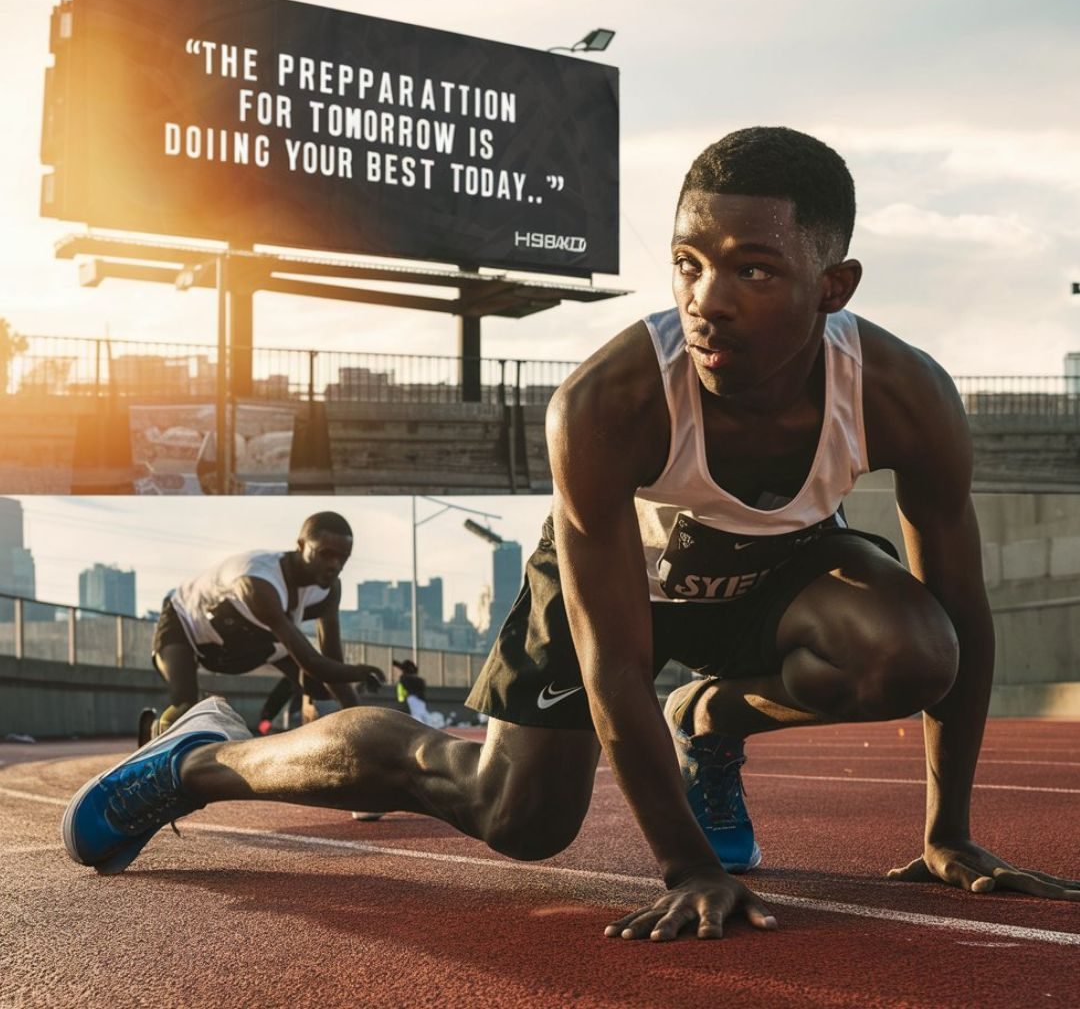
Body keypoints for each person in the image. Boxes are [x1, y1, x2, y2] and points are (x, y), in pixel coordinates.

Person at [64, 127, 1079, 938]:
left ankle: (713, 721)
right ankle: (200, 762)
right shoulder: (609, 401)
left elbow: (965, 617)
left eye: (755, 272)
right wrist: (685, 866)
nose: (707, 303)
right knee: (519, 818)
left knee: (918, 651)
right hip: (625, 580)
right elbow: (611, 664)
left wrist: (950, 831)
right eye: (689, 263)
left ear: (834, 288)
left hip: (782, 569)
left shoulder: (904, 396)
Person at [139, 511, 384, 743]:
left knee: (319, 688)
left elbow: (332, 663)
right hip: (186, 626)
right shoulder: (259, 582)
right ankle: (155, 737)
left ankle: (330, 746)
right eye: (325, 554)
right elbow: (312, 661)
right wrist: (360, 672)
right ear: (300, 546)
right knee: (186, 710)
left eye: (343, 558)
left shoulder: (329, 590)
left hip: (251, 641)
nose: (334, 565)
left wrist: (366, 728)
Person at [394, 659, 430, 724]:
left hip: (414, 698)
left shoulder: (406, 678)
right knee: (421, 715)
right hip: (417, 698)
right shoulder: (418, 680)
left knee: (419, 716)